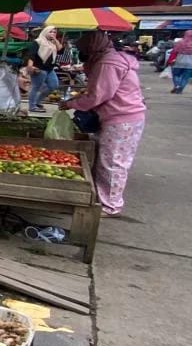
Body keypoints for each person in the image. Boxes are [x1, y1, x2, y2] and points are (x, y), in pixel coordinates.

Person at [61, 31, 146, 217]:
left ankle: (110, 206)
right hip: (123, 116)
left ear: (93, 45)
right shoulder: (111, 58)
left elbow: (98, 96)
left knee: (113, 163)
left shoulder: (108, 63)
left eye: (83, 46)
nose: (81, 50)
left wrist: (71, 104)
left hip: (121, 117)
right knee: (109, 160)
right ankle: (104, 199)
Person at [24, 27, 62, 112]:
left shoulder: (52, 43)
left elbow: (60, 50)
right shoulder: (38, 42)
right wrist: (30, 66)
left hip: (49, 69)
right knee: (36, 87)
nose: (52, 33)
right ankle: (32, 106)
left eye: (54, 32)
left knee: (53, 85)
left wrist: (55, 40)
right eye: (50, 32)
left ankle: (37, 101)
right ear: (45, 32)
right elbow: (31, 55)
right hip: (39, 68)